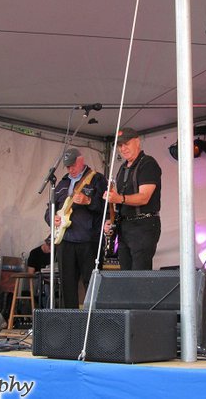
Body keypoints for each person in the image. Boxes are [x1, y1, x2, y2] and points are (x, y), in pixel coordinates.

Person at [45, 148, 106, 308]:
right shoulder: (62, 183)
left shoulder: (96, 179)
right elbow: (49, 210)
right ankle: (69, 324)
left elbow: (106, 207)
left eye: (73, 165)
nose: (70, 169)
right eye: (67, 167)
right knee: (67, 285)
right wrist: (53, 219)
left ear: (81, 160)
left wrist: (88, 201)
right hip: (65, 241)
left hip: (88, 240)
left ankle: (93, 323)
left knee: (92, 284)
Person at [104, 128, 162, 271]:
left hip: (144, 225)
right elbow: (119, 202)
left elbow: (144, 198)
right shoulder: (122, 168)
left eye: (126, 144)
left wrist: (118, 198)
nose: (123, 148)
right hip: (125, 227)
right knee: (126, 274)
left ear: (137, 142)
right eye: (120, 145)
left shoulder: (148, 163)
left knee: (139, 275)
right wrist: (111, 219)